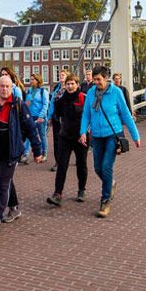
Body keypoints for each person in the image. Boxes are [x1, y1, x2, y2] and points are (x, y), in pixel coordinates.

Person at [0, 74, 44, 235]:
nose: (4, 89)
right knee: (6, 180)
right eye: (2, 86)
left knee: (3, 184)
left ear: (12, 88)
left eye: (7, 87)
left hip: (10, 151)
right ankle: (15, 208)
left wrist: (37, 151)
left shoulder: (18, 104)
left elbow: (31, 128)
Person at [80, 66, 140, 218]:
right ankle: (110, 183)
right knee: (98, 168)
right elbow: (86, 114)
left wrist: (135, 136)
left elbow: (126, 114)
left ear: (106, 78)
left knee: (106, 166)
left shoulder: (116, 93)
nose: (96, 82)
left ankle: (105, 201)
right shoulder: (91, 93)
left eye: (98, 79)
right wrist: (83, 132)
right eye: (94, 80)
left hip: (112, 134)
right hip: (97, 135)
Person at [47, 74, 88, 206]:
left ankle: (81, 190)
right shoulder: (61, 100)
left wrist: (86, 132)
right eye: (68, 84)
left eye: (72, 84)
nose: (70, 86)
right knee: (62, 164)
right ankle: (57, 193)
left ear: (77, 85)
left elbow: (89, 116)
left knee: (81, 164)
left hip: (80, 137)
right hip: (65, 137)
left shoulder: (83, 98)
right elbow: (57, 115)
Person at [24, 73, 50, 165]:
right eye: (30, 79)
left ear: (38, 80)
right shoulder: (29, 91)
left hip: (40, 117)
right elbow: (25, 104)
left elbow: (45, 104)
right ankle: (25, 155)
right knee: (27, 136)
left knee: (42, 135)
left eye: (33, 79)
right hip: (30, 117)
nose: (31, 81)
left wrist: (41, 116)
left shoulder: (43, 91)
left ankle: (44, 153)